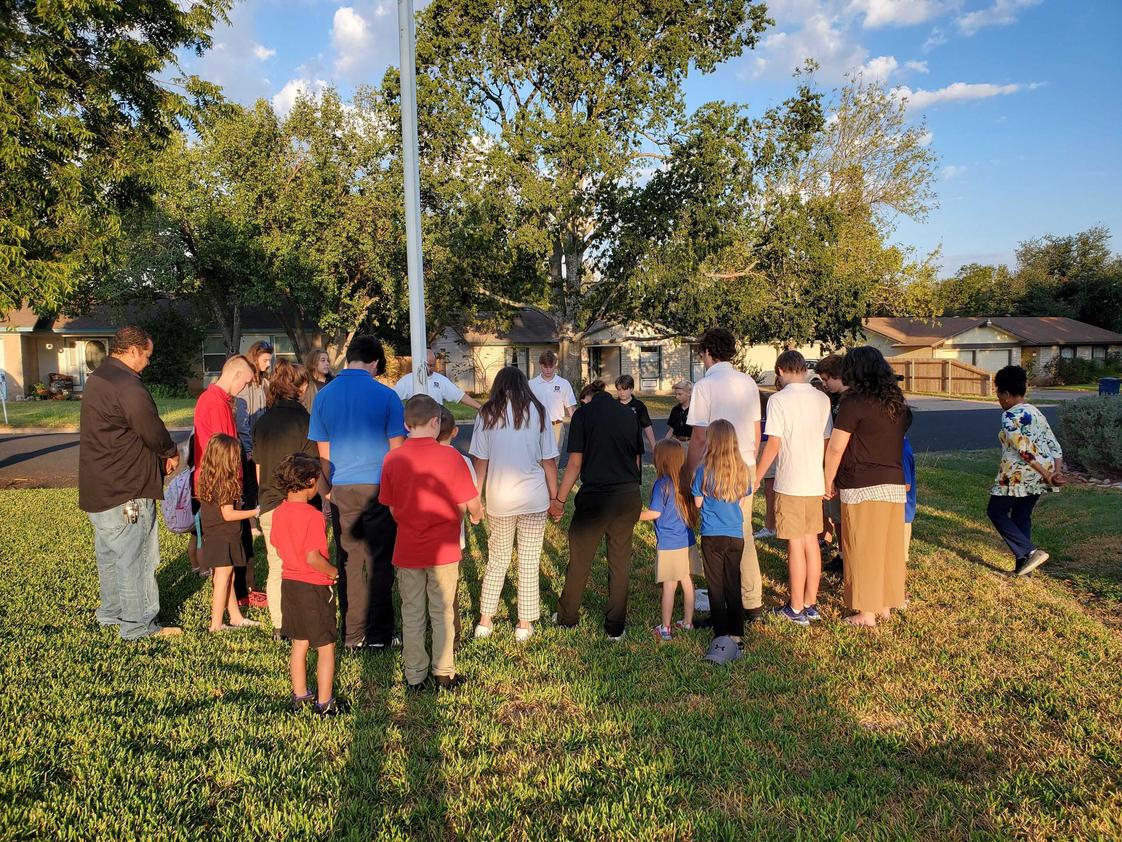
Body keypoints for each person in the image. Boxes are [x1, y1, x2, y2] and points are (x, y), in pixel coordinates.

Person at [79, 325, 182, 640]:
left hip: (99, 487)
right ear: (134, 351)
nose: (148, 362)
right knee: (135, 558)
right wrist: (170, 451)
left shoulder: (98, 379)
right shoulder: (127, 386)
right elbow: (151, 428)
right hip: (127, 490)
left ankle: (111, 614)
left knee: (110, 554)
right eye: (147, 356)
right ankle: (138, 626)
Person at [380, 395, 483, 691]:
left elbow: (391, 507)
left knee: (412, 612)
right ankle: (443, 671)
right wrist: (475, 516)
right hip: (444, 548)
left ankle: (414, 674)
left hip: (408, 546)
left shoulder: (393, 458)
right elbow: (469, 499)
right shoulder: (450, 457)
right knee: (443, 610)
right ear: (436, 422)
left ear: (405, 423)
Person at [309, 336, 405, 650]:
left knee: (349, 561)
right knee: (380, 562)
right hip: (379, 487)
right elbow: (396, 454)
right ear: (375, 363)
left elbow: (322, 454)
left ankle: (352, 635)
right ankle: (379, 634)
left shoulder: (323, 396)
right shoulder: (387, 396)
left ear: (349, 358)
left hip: (341, 488)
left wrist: (326, 493)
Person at [470, 367, 559, 644]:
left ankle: (485, 620)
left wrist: (476, 498)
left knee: (497, 560)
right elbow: (549, 461)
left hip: (499, 498)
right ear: (523, 384)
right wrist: (556, 498)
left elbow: (480, 463)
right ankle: (523, 624)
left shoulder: (486, 413)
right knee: (530, 562)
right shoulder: (539, 411)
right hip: (534, 498)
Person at [550, 379, 643, 641]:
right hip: (627, 496)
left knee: (580, 560)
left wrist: (559, 500)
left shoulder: (583, 415)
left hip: (595, 498)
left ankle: (567, 617)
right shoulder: (629, 413)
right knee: (620, 563)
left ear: (586, 399)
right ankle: (615, 627)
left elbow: (575, 463)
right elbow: (637, 457)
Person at [823, 347, 909, 627]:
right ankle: (884, 603)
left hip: (861, 483)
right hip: (893, 483)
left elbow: (836, 448)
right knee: (887, 548)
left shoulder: (853, 403)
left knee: (861, 548)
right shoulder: (897, 403)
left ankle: (866, 612)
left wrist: (827, 480)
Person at [686, 327, 764, 626]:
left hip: (713, 466)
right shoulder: (747, 382)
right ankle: (751, 600)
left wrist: (691, 472)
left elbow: (698, 437)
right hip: (743, 465)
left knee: (714, 531)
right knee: (741, 531)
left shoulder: (705, 385)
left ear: (707, 352)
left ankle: (724, 601)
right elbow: (756, 432)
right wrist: (750, 464)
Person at [754, 351, 833, 626]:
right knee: (812, 541)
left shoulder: (778, 400)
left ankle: (796, 607)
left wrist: (756, 476)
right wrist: (828, 476)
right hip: (815, 481)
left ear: (780, 370)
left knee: (795, 545)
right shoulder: (822, 398)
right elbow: (827, 442)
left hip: (790, 482)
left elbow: (773, 444)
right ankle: (811, 602)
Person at [252, 360, 320, 635]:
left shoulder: (262, 421)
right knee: (305, 563)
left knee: (276, 565)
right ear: (300, 387)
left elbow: (258, 468)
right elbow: (313, 466)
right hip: (301, 505)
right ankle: (303, 618)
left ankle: (281, 624)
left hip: (269, 503)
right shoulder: (305, 421)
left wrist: (264, 499)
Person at [270, 453, 340, 716]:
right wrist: (333, 572)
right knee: (325, 647)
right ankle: (325, 703)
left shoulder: (278, 513)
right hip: (314, 587)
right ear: (311, 482)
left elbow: (277, 545)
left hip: (290, 584)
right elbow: (313, 558)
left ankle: (300, 695)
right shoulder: (312, 517)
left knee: (299, 643)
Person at [192, 355, 259, 605]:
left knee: (227, 562)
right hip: (221, 487)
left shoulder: (216, 400)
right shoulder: (215, 403)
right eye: (245, 382)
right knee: (225, 561)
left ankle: (235, 613)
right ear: (236, 375)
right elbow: (224, 453)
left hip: (219, 485)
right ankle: (220, 618)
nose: (244, 388)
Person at [987, 365, 1064, 576]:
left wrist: (1049, 475)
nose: (999, 400)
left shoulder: (1010, 415)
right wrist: (1054, 472)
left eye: (999, 395)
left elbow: (1023, 450)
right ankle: (1024, 568)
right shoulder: (1035, 412)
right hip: (1041, 474)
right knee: (1022, 515)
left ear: (1005, 393)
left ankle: (1030, 551)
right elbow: (1054, 445)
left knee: (996, 511)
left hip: (1018, 474)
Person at [691, 420, 752, 664]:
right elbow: (742, 502)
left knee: (715, 586)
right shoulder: (743, 469)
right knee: (732, 583)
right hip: (735, 535)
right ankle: (737, 634)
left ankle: (721, 634)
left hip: (711, 535)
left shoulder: (703, 469)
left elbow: (697, 503)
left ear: (711, 441)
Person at [196, 434, 262, 632]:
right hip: (223, 536)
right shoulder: (224, 483)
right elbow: (228, 513)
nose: (238, 461)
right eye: (235, 457)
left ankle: (235, 617)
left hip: (216, 534)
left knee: (228, 576)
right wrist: (255, 511)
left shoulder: (209, 478)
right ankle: (216, 624)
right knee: (223, 578)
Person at [640, 440, 697, 640]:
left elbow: (655, 512)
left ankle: (665, 628)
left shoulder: (661, 484)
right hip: (687, 540)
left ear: (661, 460)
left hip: (670, 544)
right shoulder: (685, 481)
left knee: (669, 585)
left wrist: (635, 515)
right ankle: (688, 622)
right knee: (687, 581)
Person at [437, 406, 474, 650]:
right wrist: (476, 515)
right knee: (450, 594)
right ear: (455, 432)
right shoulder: (463, 461)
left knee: (419, 597)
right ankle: (453, 640)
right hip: (451, 541)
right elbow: (471, 500)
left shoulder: (408, 459)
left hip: (416, 541)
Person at [814, 353, 846, 574]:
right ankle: (842, 552)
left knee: (842, 516)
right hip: (834, 465)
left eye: (826, 379)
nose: (824, 385)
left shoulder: (849, 401)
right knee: (835, 515)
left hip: (843, 466)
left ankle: (845, 555)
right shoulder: (834, 399)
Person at [394, 348, 482, 410]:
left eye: (433, 365)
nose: (431, 368)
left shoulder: (441, 380)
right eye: (428, 365)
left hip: (435, 425)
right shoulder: (407, 380)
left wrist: (480, 408)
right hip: (414, 428)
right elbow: (392, 397)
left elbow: (459, 396)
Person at [528, 350, 577, 450]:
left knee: (555, 459)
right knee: (537, 458)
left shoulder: (564, 383)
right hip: (536, 426)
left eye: (551, 367)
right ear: (540, 365)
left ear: (555, 365)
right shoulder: (531, 384)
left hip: (557, 427)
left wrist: (578, 426)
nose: (548, 370)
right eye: (545, 367)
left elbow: (571, 407)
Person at [615, 374, 657, 454]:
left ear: (631, 389)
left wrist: (653, 446)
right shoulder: (613, 405)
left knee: (635, 467)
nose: (621, 392)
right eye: (619, 389)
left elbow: (647, 426)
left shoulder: (639, 406)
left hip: (634, 446)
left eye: (624, 389)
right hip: (617, 446)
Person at [301, 348, 334, 413]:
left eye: (328, 361)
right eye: (323, 360)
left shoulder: (334, 382)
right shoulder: (306, 383)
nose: (327, 363)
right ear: (313, 363)